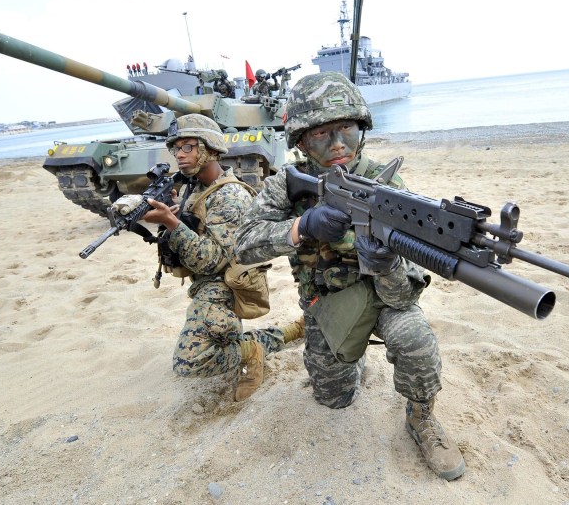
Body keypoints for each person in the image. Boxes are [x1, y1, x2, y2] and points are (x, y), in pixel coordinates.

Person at [233, 72, 466, 480]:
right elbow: (244, 246)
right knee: (334, 398)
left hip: (383, 298)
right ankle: (351, 365)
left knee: (414, 337)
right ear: (301, 141)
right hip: (327, 307)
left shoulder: (387, 184)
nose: (338, 144)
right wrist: (300, 227)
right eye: (323, 134)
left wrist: (386, 262)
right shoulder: (286, 184)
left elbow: (403, 296)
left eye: (348, 131)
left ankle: (421, 416)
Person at [142, 113, 304, 401]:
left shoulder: (229, 196)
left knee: (190, 361)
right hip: (208, 282)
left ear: (211, 150)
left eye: (188, 147)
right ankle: (289, 332)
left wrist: (172, 223)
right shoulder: (198, 188)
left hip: (226, 285)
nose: (179, 154)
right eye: (176, 148)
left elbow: (212, 260)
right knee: (220, 337)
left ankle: (253, 350)